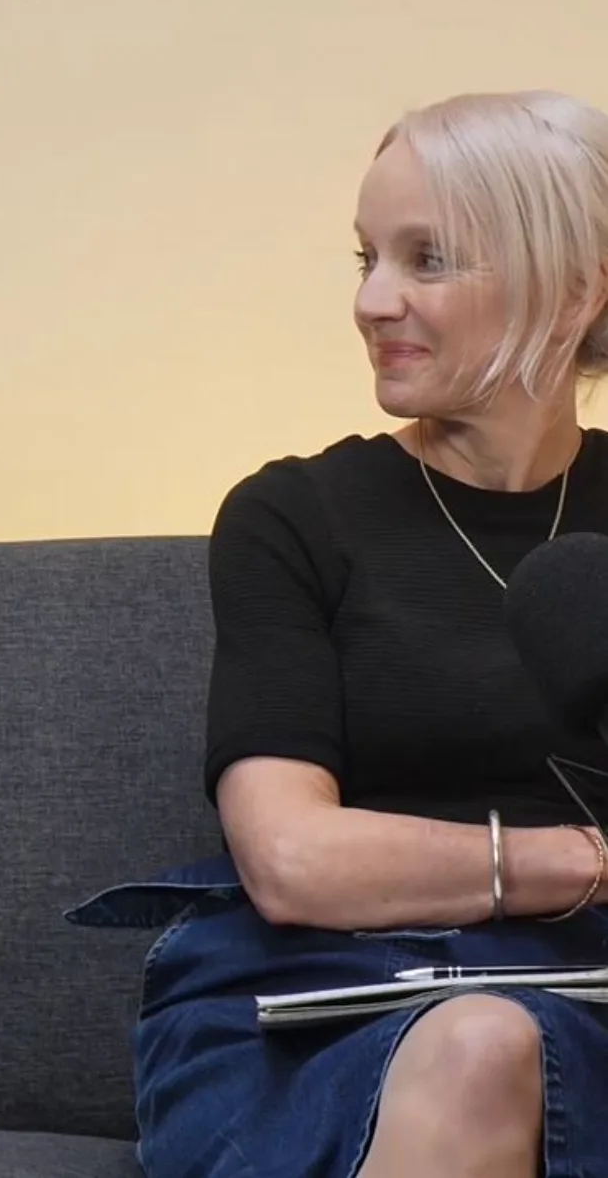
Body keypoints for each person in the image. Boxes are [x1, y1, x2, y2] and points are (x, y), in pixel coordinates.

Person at [73, 89, 608, 1177]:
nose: (371, 301)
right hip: (327, 996)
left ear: (572, 292)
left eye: (427, 260)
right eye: (366, 258)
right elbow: (293, 860)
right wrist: (584, 860)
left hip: (591, 991)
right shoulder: (293, 517)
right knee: (481, 1048)